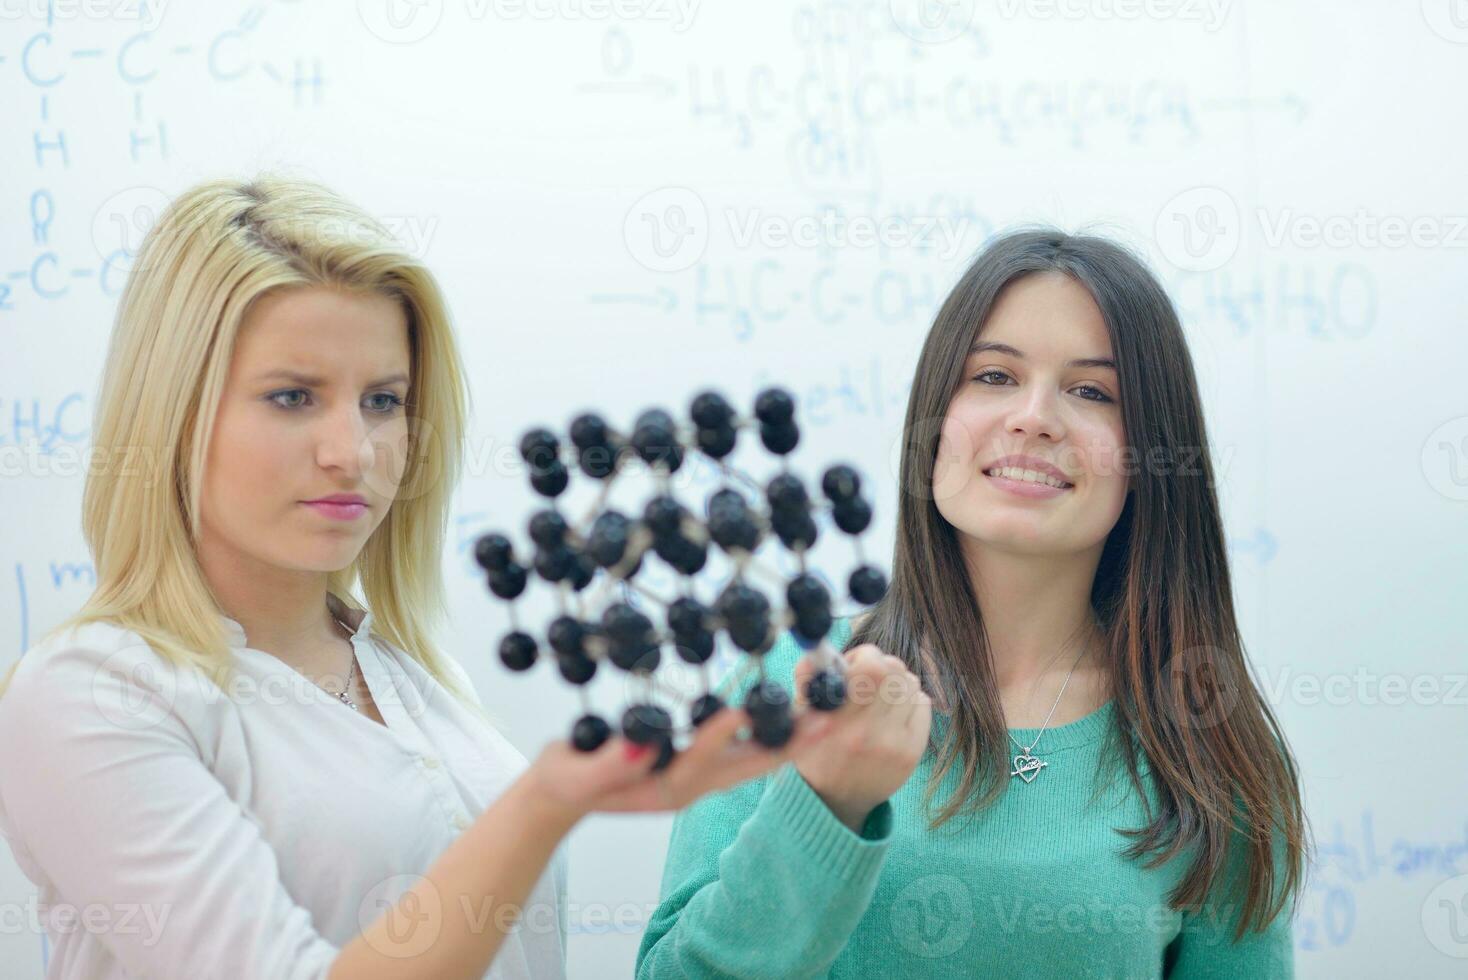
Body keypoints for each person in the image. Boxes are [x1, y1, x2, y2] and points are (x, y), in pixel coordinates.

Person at [0, 174, 846, 980]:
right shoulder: (92, 695)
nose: (353, 452)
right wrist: (547, 801)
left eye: (383, 400)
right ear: (174, 413)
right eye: (292, 397)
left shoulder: (410, 673)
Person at [637, 229, 1311, 978]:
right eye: (993, 375)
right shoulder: (793, 679)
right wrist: (826, 804)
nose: (1033, 416)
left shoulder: (1204, 740)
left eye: (1092, 391)